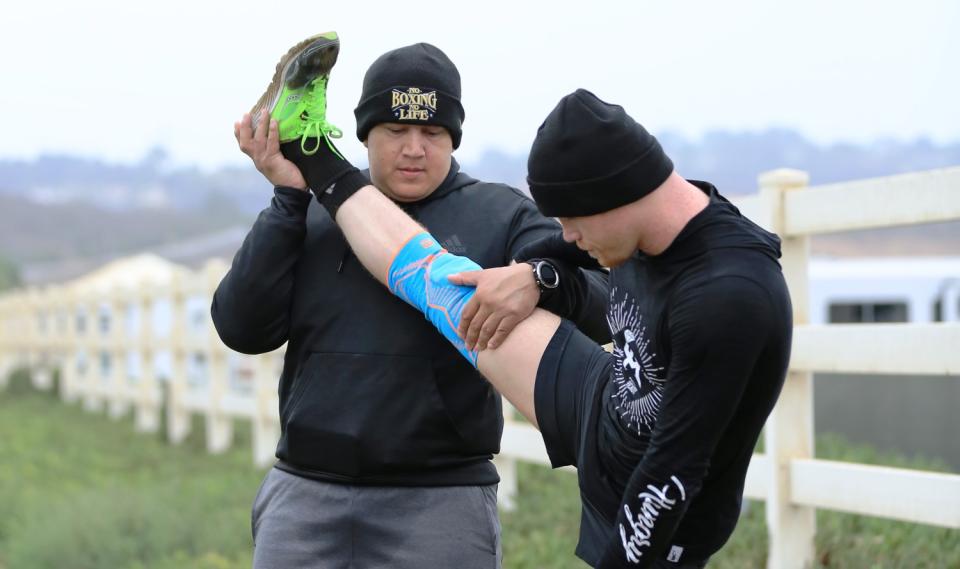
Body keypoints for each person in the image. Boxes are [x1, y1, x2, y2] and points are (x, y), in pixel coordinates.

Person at [240, 70, 793, 567]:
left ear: (616, 196)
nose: (567, 237)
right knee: (447, 285)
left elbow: (672, 475)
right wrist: (536, 275)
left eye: (572, 220)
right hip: (600, 404)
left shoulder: (728, 299)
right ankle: (310, 151)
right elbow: (564, 250)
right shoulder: (676, 210)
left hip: (657, 497)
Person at [215, 33, 610, 569]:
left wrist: (540, 278)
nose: (413, 148)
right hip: (305, 492)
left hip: (440, 501)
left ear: (454, 138)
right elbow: (242, 328)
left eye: (432, 131)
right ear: (363, 133)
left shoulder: (502, 214)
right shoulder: (310, 213)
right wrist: (289, 199)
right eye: (395, 129)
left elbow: (607, 302)